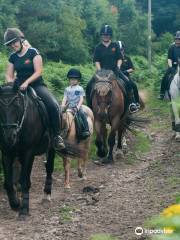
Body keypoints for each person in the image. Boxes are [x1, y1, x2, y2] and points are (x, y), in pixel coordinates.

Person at [4, 27, 65, 150]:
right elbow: (8, 75)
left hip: (36, 85)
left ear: (21, 40)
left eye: (14, 42)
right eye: (10, 44)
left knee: (53, 105)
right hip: (18, 87)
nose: (13, 45)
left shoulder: (33, 52)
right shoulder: (12, 57)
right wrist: (11, 85)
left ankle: (56, 136)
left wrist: (26, 83)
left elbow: (38, 72)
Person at [86, 24, 139, 113]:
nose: (106, 36)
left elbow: (119, 58)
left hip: (115, 71)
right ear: (101, 35)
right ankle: (90, 106)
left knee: (128, 83)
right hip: (102, 72)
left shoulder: (115, 45)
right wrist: (99, 70)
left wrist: (118, 67)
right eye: (104, 35)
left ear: (110, 35)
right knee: (89, 86)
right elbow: (96, 61)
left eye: (107, 35)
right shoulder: (98, 47)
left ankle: (132, 103)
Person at [62, 68, 90, 138]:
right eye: (71, 79)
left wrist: (78, 107)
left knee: (82, 114)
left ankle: (86, 130)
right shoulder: (67, 89)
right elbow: (65, 98)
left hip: (77, 106)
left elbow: (81, 99)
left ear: (78, 80)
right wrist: (63, 105)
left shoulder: (79, 88)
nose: (72, 81)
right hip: (68, 106)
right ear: (69, 80)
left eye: (74, 79)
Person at [158, 31, 180, 100]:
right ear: (175, 39)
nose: (178, 40)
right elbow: (169, 59)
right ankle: (162, 93)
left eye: (179, 39)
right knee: (165, 77)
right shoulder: (171, 47)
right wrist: (170, 67)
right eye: (177, 39)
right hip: (172, 66)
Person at [118, 41, 140, 108]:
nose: (120, 51)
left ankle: (135, 102)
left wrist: (125, 72)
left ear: (123, 49)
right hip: (116, 76)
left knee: (134, 86)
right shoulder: (113, 59)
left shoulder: (127, 58)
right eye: (118, 49)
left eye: (121, 49)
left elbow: (132, 68)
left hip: (125, 76)